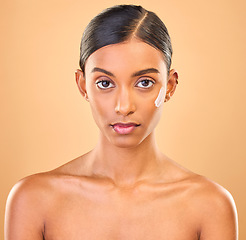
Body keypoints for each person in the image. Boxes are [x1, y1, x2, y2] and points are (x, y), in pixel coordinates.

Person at [5, 4, 238, 240]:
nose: (124, 107)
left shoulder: (210, 206)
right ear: (83, 85)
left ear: (169, 86)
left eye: (144, 82)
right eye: (105, 83)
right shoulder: (33, 200)